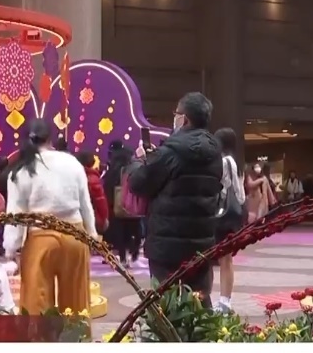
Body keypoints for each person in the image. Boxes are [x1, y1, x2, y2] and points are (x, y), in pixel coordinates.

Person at [128, 92, 222, 308]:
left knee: (166, 305)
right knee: (199, 304)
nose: (175, 118)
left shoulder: (170, 152)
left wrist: (139, 161)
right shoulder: (215, 153)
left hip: (166, 246)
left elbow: (138, 183)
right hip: (202, 243)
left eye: (176, 114)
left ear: (184, 119)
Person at [3, 118, 96, 315]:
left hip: (41, 240)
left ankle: (39, 335)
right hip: (75, 236)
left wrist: (11, 249)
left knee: (36, 306)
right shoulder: (72, 163)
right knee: (76, 304)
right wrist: (92, 234)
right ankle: (77, 333)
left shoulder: (21, 171)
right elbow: (85, 204)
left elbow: (15, 216)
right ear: (50, 138)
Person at [213, 127, 246, 313]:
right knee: (226, 259)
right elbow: (240, 195)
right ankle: (225, 300)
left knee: (224, 260)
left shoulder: (225, 162)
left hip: (223, 216)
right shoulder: (236, 162)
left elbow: (223, 188)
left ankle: (225, 301)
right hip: (233, 215)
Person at [102, 147, 143, 267]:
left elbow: (107, 188)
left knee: (120, 232)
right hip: (132, 205)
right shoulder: (132, 169)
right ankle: (134, 251)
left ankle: (123, 257)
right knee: (135, 229)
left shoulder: (112, 171)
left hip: (118, 206)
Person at [75, 151, 109, 234]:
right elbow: (100, 201)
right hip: (92, 217)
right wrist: (104, 219)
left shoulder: (73, 176)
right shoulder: (93, 179)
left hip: (76, 216)